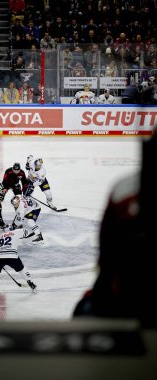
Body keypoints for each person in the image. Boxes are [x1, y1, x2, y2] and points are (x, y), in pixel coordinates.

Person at [73, 131, 157, 327]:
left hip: (127, 298)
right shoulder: (125, 190)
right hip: (131, 295)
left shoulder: (125, 189)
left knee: (85, 312)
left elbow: (107, 255)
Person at [0, 226, 37, 293]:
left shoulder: (0, 237)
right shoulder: (15, 232)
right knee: (22, 269)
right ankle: (30, 282)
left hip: (0, 257)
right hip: (12, 256)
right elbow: (26, 231)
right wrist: (33, 233)